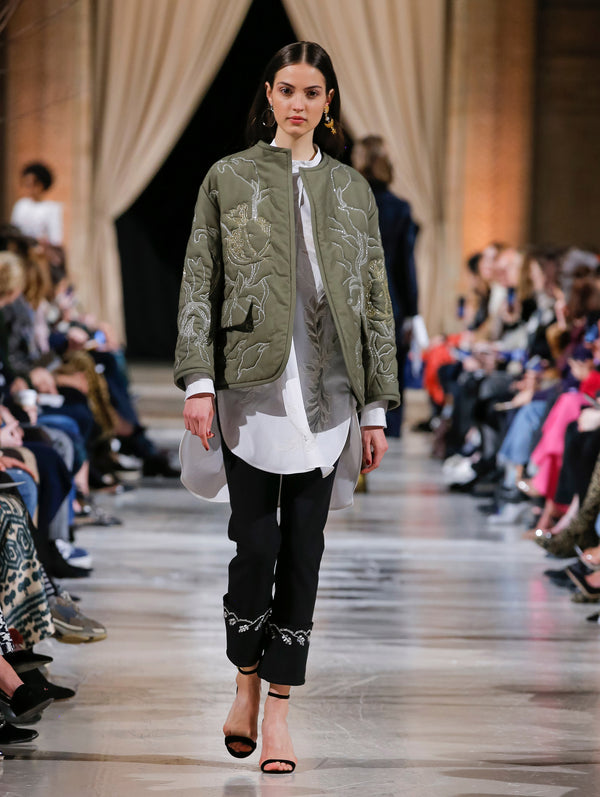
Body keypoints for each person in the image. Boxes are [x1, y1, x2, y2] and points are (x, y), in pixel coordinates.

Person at [174, 41, 399, 774]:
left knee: (305, 554)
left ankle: (277, 711)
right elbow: (199, 277)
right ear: (268, 95)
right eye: (287, 90)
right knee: (255, 546)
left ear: (328, 102)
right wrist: (198, 381)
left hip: (329, 393)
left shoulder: (352, 190)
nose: (298, 103)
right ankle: (244, 677)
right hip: (248, 389)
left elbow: (374, 301)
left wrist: (376, 409)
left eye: (312, 92)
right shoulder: (228, 177)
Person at [351, 135, 419, 436]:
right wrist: (413, 312)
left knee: (355, 364)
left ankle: (350, 428)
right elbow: (406, 265)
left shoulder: (347, 202)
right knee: (389, 364)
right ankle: (389, 430)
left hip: (351, 294)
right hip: (390, 297)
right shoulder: (399, 207)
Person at [11, 163, 63, 246]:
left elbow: (55, 239)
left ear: (41, 185)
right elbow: (14, 230)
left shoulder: (51, 208)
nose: (29, 189)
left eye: (32, 185)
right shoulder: (21, 205)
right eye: (27, 185)